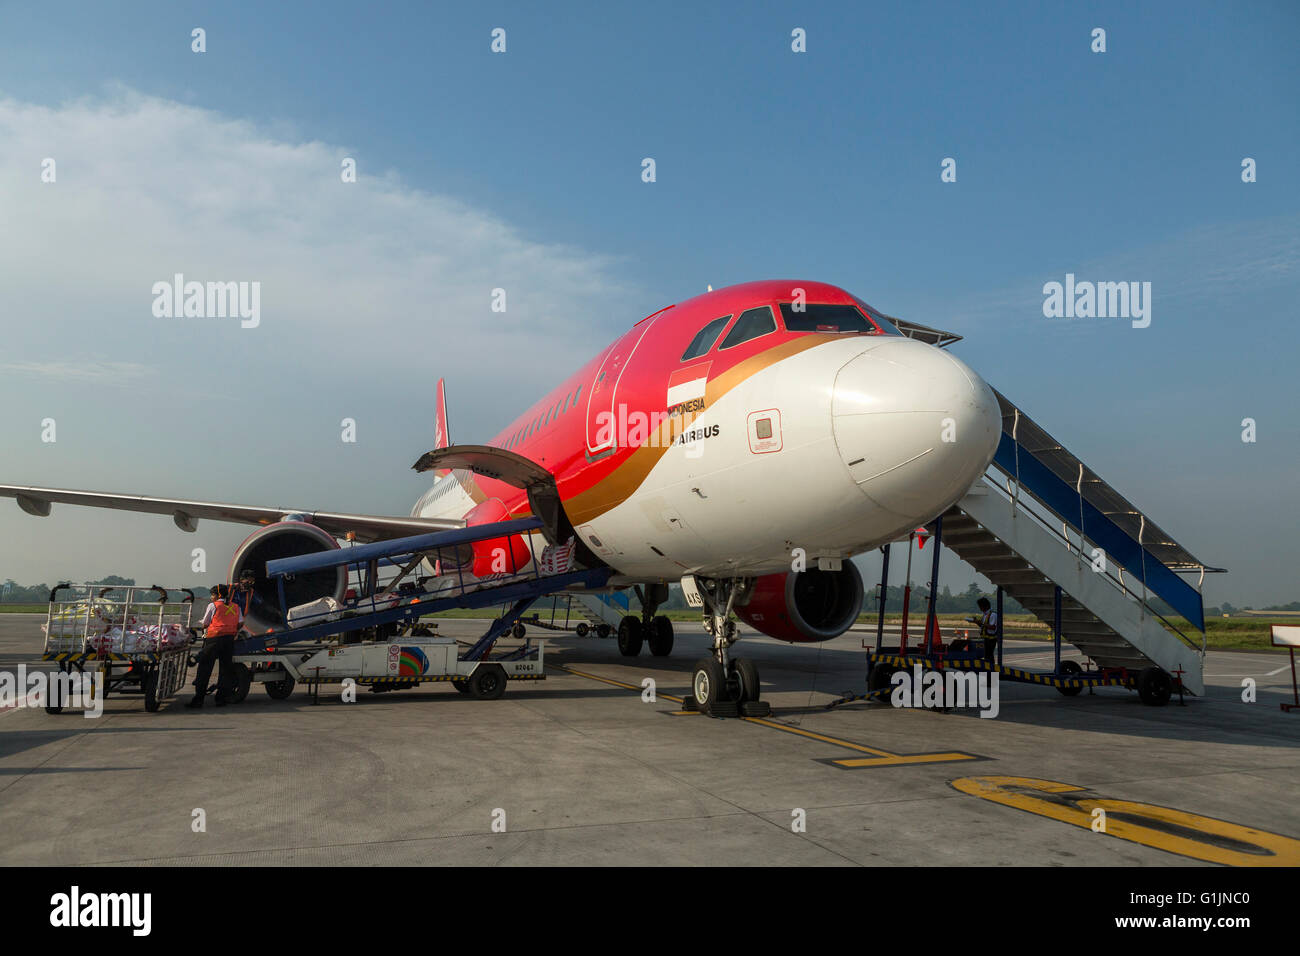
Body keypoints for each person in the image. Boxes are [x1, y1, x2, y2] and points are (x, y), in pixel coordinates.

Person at [187, 584, 241, 708]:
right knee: (225, 670)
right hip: (229, 640)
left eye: (212, 595)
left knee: (204, 669)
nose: (211, 597)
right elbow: (240, 623)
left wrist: (198, 624)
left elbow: (205, 623)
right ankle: (220, 700)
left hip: (214, 639)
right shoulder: (236, 606)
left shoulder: (213, 605)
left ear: (219, 595)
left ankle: (198, 700)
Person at [967, 596, 999, 662]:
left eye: (980, 606)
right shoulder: (985, 615)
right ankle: (989, 670)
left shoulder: (993, 615)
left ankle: (991, 670)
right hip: (985, 639)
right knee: (987, 656)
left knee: (989, 656)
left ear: (984, 606)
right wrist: (976, 622)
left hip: (991, 640)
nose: (980, 608)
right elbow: (983, 626)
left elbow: (993, 627)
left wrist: (981, 623)